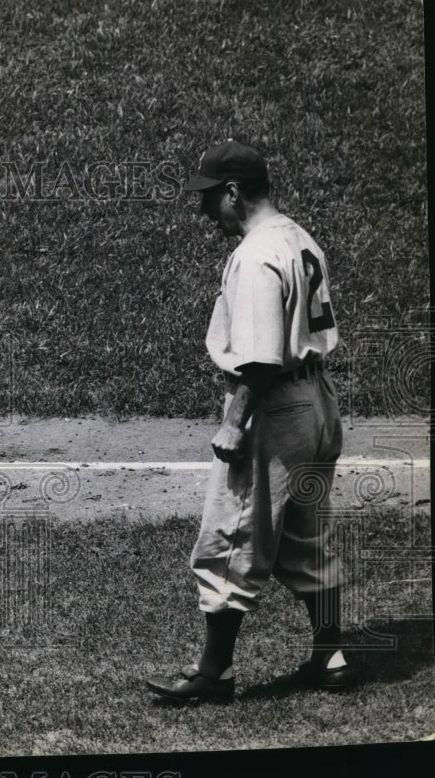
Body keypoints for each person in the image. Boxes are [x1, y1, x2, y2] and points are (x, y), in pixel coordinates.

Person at [145, 139, 350, 703]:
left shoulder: (258, 256)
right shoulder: (296, 235)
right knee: (305, 535)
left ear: (234, 193)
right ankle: (330, 656)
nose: (205, 213)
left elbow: (259, 360)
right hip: (317, 404)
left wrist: (234, 424)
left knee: (230, 535)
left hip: (274, 409)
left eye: (210, 199)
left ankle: (214, 673)